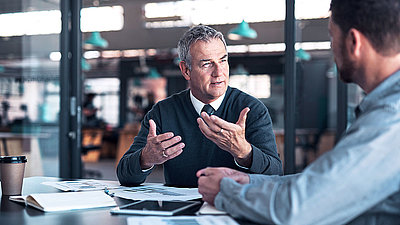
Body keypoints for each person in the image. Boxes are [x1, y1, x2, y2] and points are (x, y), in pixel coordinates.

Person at [197, 0, 400, 224]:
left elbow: (299, 209)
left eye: (332, 36)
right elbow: (327, 184)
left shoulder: (392, 117)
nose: (332, 47)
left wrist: (226, 192)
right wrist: (250, 182)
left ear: (354, 42)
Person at [117, 25, 283, 187]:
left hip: (232, 208)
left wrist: (244, 152)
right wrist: (145, 158)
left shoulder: (251, 110)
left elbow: (276, 175)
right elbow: (124, 176)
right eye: (207, 64)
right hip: (179, 211)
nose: (219, 72)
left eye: (223, 61)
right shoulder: (162, 112)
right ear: (186, 70)